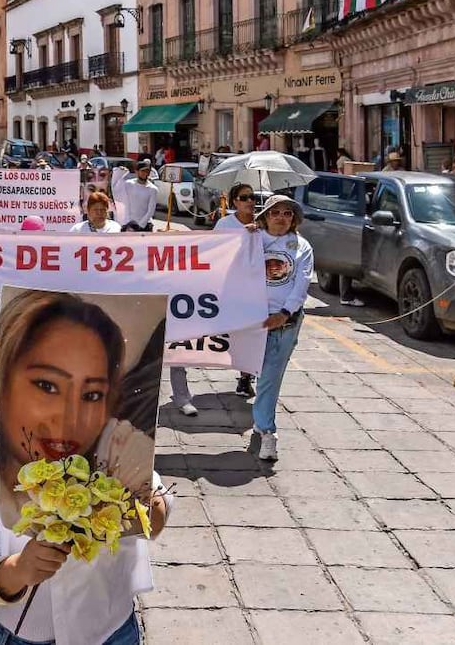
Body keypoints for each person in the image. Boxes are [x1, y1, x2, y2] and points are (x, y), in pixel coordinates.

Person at [0, 289, 171, 645]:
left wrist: (150, 509)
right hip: (20, 635)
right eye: (46, 385)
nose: (70, 415)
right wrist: (18, 570)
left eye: (92, 394)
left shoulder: (115, 451)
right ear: (5, 381)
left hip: (112, 630)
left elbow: (153, 514)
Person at [171, 184, 258, 416]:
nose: (250, 201)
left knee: (249, 336)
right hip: (224, 289)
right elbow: (215, 253)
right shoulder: (224, 224)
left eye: (253, 197)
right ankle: (181, 394)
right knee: (186, 337)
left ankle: (245, 377)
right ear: (233, 202)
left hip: (252, 291)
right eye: (244, 197)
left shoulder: (265, 223)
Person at [248, 195, 314, 461]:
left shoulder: (301, 246)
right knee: (254, 372)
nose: (281, 218)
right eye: (275, 212)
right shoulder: (251, 239)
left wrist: (285, 313)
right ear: (264, 216)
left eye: (287, 213)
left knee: (270, 378)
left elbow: (302, 283)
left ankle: (267, 432)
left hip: (283, 322)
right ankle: (259, 417)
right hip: (249, 319)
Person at [110, 160, 158, 232]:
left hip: (144, 226)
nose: (145, 173)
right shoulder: (128, 184)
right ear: (136, 171)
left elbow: (151, 211)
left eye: (147, 171)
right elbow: (116, 189)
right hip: (128, 224)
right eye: (143, 171)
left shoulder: (153, 189)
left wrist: (140, 225)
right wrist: (119, 172)